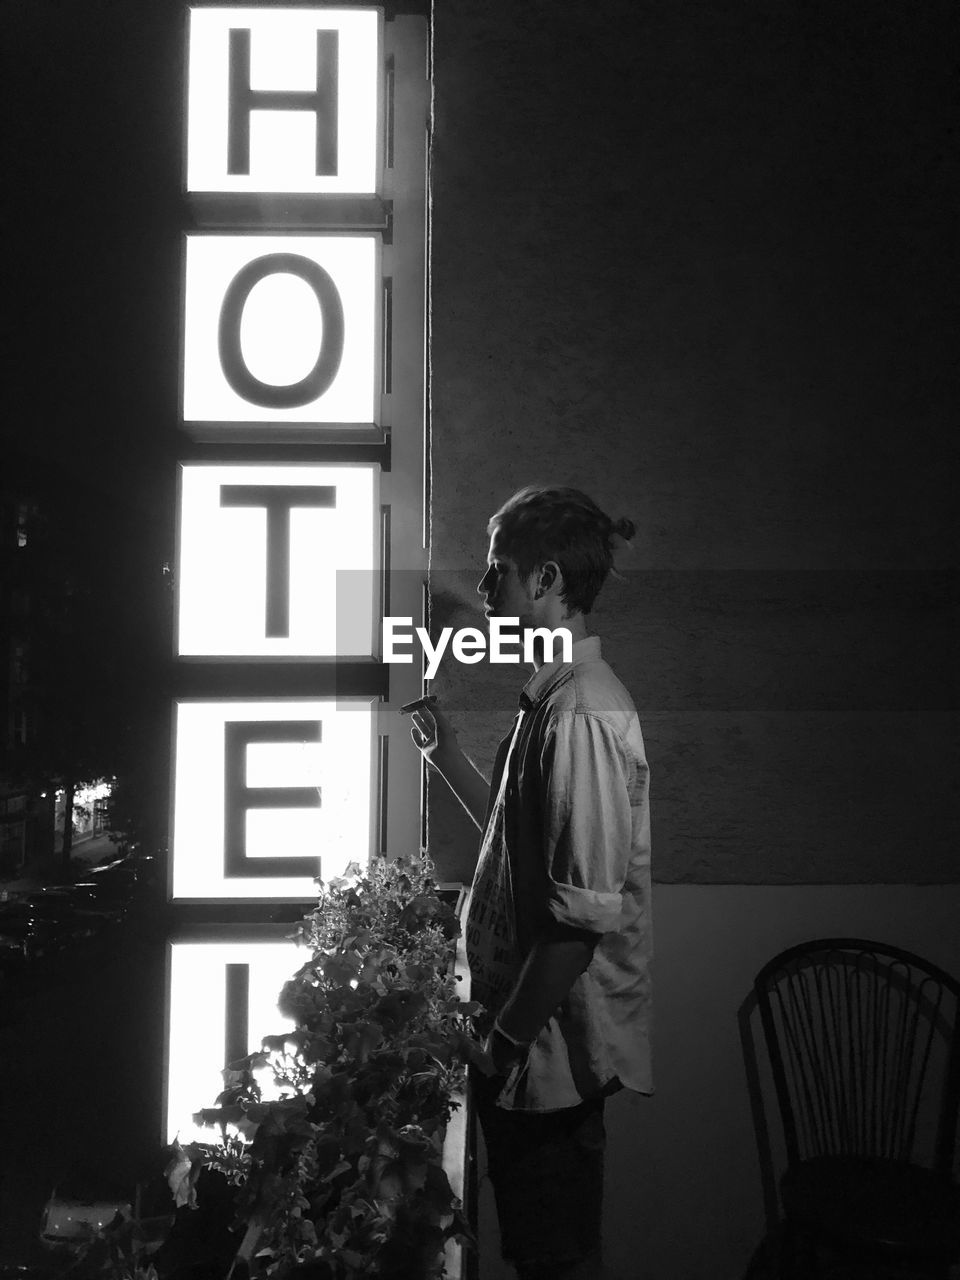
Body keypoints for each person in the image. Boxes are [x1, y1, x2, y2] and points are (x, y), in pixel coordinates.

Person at [408, 486, 653, 1280]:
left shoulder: (580, 715)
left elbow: (578, 924)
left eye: (496, 574)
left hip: (540, 1066)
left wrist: (497, 1043)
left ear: (545, 580)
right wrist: (445, 756)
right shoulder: (554, 703)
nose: (483, 595)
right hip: (525, 1059)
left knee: (555, 1262)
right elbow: (518, 851)